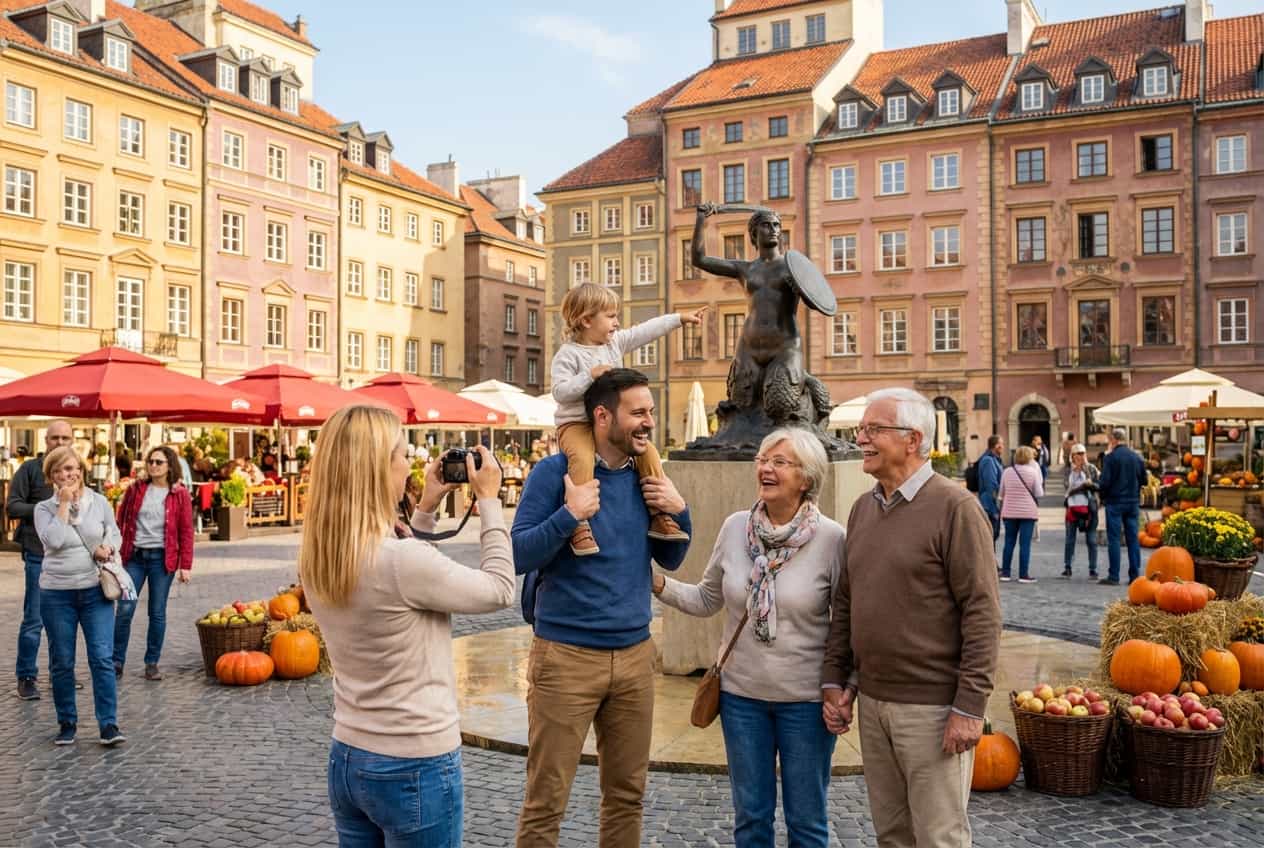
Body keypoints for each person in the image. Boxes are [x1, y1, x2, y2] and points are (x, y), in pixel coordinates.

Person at [301, 405, 513, 848]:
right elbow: (498, 589)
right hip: (413, 760)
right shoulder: (400, 562)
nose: (408, 464)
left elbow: (396, 588)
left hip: (349, 755)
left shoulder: (322, 555)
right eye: (401, 455)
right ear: (378, 469)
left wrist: (427, 508)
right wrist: (491, 502)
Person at [513, 369, 692, 848]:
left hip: (635, 657)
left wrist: (679, 509)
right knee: (546, 799)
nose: (648, 422)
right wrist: (569, 515)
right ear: (602, 416)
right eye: (638, 412)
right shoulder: (554, 474)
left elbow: (671, 556)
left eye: (650, 412)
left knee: (627, 795)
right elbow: (519, 554)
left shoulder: (645, 477)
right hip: (566, 658)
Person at [821, 388, 1000, 848]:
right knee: (892, 836)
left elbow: (982, 613)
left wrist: (969, 707)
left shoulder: (955, 508)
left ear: (913, 439)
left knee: (938, 837)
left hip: (934, 710)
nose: (860, 438)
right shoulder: (863, 508)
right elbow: (847, 603)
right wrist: (837, 682)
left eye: (873, 429)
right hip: (874, 704)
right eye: (861, 428)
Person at [652, 428, 844, 848]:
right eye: (762, 459)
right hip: (741, 700)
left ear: (806, 478)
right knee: (751, 820)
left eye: (779, 462)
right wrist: (658, 584)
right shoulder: (736, 527)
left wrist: (843, 690)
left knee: (807, 823)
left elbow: (846, 624)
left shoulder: (833, 539)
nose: (766, 468)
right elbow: (707, 599)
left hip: (806, 704)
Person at [551, 282, 703, 556]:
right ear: (586, 320)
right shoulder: (568, 354)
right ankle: (579, 524)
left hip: (610, 425)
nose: (617, 322)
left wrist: (679, 319)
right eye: (610, 316)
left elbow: (646, 331)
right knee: (582, 459)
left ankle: (659, 515)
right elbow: (560, 393)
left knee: (650, 453)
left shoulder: (615, 343)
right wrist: (590, 375)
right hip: (576, 424)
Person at [35, 445, 125, 746]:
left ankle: (108, 724)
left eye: (72, 468)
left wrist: (108, 548)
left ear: (81, 471)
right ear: (51, 477)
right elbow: (55, 540)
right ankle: (67, 722)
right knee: (62, 661)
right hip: (56, 595)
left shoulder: (98, 502)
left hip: (93, 591)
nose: (67, 474)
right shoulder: (43, 509)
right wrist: (63, 506)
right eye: (59, 470)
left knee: (101, 657)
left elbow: (114, 533)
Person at [112, 446, 195, 681]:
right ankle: (116, 662)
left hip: (162, 559)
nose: (153, 466)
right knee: (125, 608)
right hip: (134, 557)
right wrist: (116, 552)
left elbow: (186, 531)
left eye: (159, 462)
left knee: (156, 612)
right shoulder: (136, 489)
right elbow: (121, 521)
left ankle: (152, 663)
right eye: (151, 461)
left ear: (170, 465)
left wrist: (185, 565)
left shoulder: (179, 494)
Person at [9, 420, 74, 701]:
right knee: (34, 618)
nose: (59, 443)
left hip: (70, 556)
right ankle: (26, 676)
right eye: (54, 438)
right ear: (45, 440)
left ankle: (61, 676)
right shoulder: (30, 469)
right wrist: (47, 508)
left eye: (65, 438)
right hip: (38, 553)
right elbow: (12, 505)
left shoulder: (75, 471)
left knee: (64, 622)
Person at [1098, 427, 1148, 586]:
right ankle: (1135, 575)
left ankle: (1114, 576)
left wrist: (1102, 497)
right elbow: (1144, 480)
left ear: (1113, 440)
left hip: (1115, 502)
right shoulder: (1136, 457)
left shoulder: (1110, 458)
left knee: (1114, 539)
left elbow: (1104, 482)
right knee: (1133, 539)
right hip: (1132, 502)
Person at [998, 445, 1044, 583]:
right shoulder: (1033, 472)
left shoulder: (1007, 472)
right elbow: (1039, 493)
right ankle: (1023, 575)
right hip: (1027, 513)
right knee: (1025, 544)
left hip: (1010, 512)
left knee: (1009, 542)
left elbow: (1001, 493)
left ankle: (1005, 573)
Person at [1063, 444, 1100, 580]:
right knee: (1070, 539)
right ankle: (1067, 567)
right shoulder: (1068, 470)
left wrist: (1090, 483)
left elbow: (1099, 485)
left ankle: (1093, 569)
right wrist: (1081, 481)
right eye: (1078, 453)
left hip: (1089, 508)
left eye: (1083, 453)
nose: (1081, 455)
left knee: (1091, 540)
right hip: (1073, 507)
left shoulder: (1092, 468)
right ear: (1072, 456)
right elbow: (1067, 488)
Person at [976, 436, 1005, 548]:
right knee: (991, 536)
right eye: (1001, 444)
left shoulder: (993, 459)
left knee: (992, 536)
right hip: (989, 505)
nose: (1003, 446)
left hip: (990, 503)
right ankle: (990, 564)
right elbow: (991, 485)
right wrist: (994, 510)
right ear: (996, 445)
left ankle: (992, 563)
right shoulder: (988, 460)